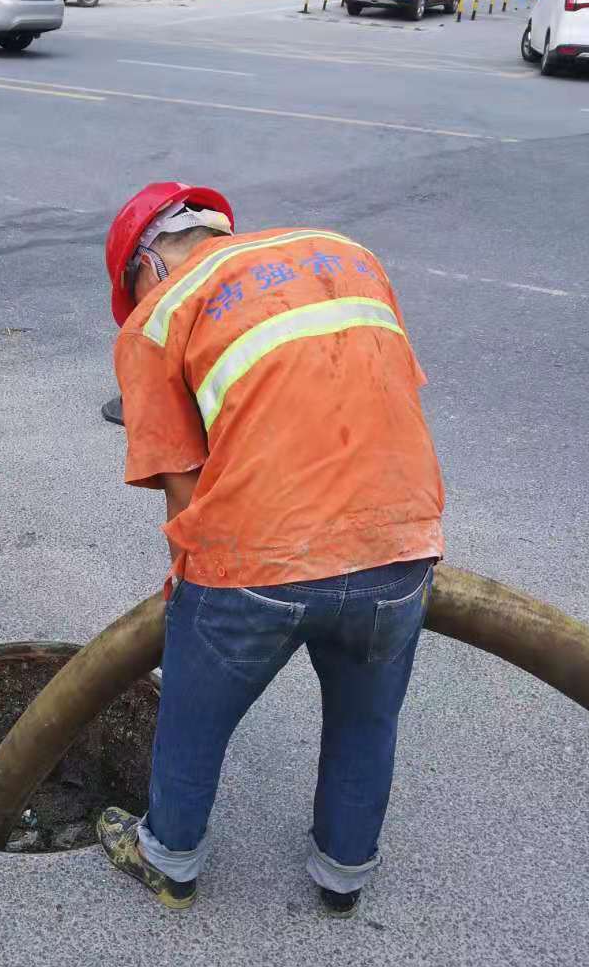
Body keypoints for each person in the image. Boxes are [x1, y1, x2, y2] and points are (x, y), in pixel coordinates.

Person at [97, 183, 445, 914]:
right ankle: (343, 875)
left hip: (259, 566)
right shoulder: (347, 255)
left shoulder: (160, 314)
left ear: (146, 268)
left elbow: (183, 485)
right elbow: (383, 396)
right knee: (365, 720)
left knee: (194, 713)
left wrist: (187, 591)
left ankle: (169, 861)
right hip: (401, 544)